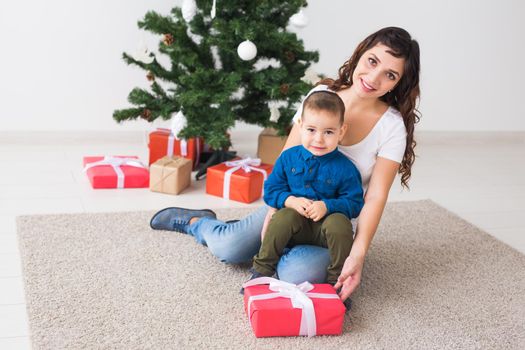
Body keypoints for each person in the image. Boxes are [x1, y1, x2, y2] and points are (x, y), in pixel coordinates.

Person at [150, 26, 421, 303]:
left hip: (332, 222)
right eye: (372, 61)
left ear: (398, 83)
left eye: (390, 75)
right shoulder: (322, 94)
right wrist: (272, 212)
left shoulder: (391, 127)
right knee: (229, 248)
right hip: (290, 206)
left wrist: (358, 254)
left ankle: (287, 253)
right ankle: (200, 222)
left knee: (295, 272)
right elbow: (287, 158)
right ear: (360, 53)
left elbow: (375, 197)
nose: (374, 78)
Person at [250, 90, 364, 287]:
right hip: (293, 228)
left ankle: (336, 281)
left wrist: (327, 206)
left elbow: (354, 203)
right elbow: (271, 189)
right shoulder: (288, 158)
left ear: (341, 131)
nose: (319, 139)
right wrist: (290, 200)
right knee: (284, 216)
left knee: (339, 223)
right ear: (300, 126)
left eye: (328, 132)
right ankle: (262, 270)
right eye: (311, 130)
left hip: (324, 233)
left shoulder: (346, 168)